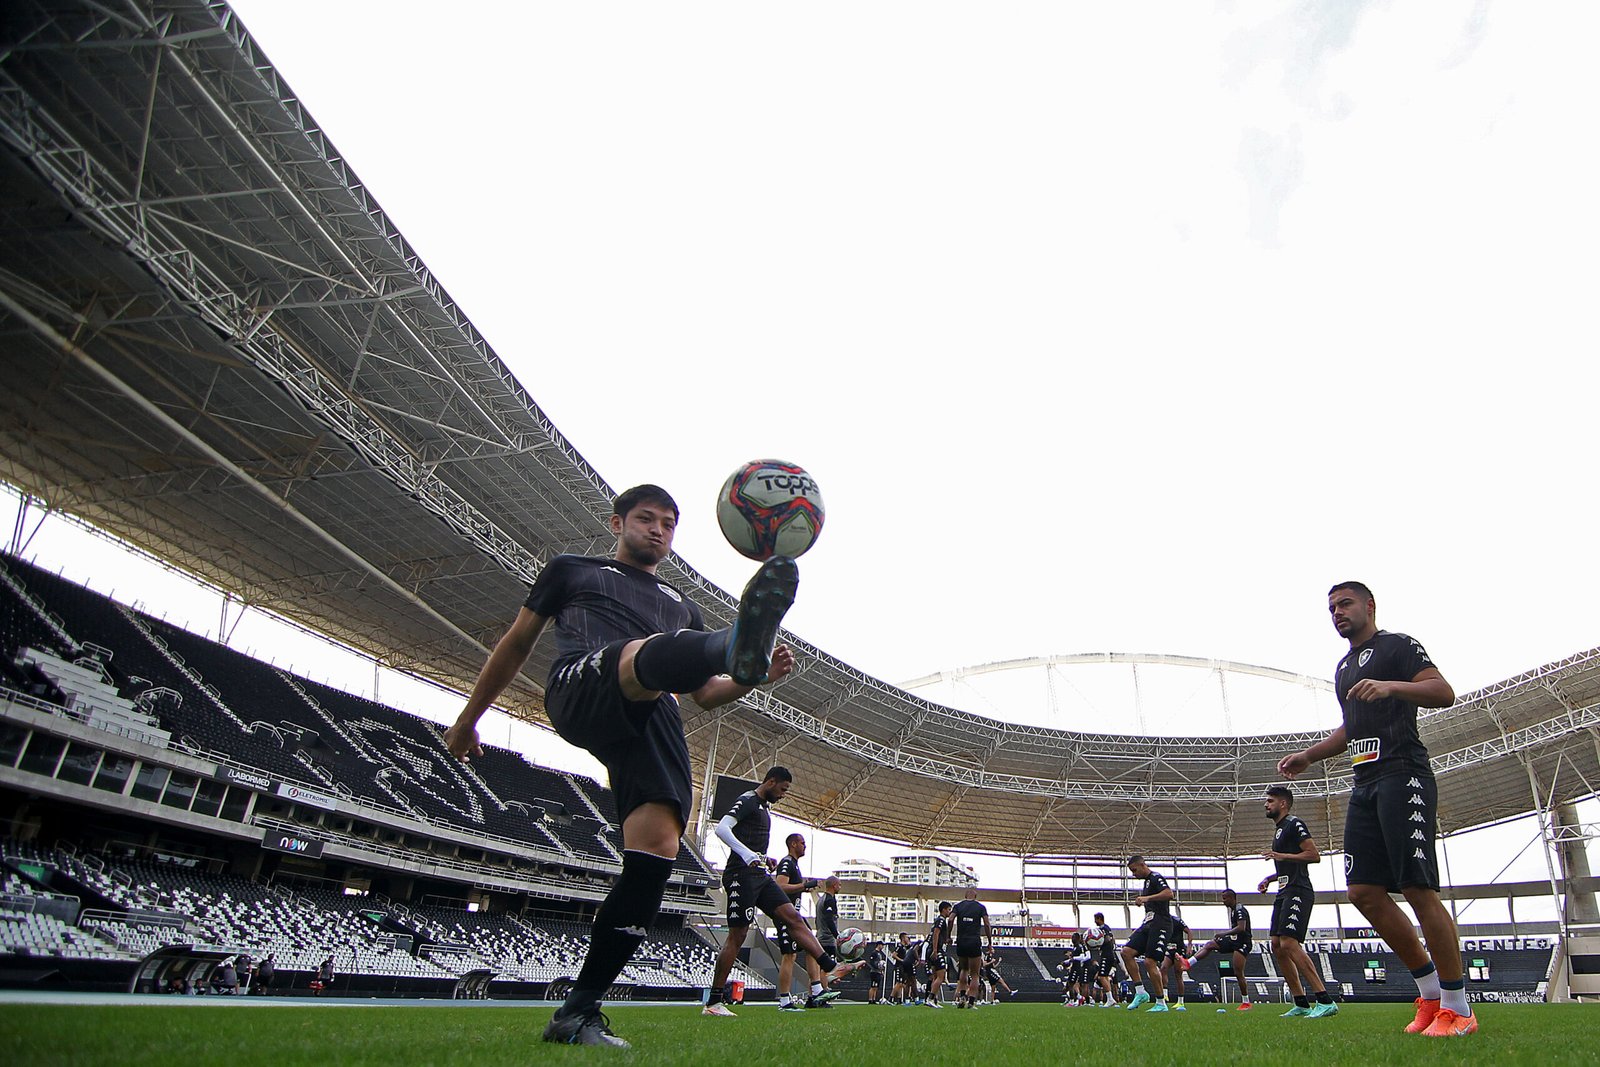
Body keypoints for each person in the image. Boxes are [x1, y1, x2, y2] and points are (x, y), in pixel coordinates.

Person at [444, 485, 802, 1048]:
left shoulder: (682, 605)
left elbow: (705, 696)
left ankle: (577, 1012)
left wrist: (750, 678)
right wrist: (469, 720)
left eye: (668, 524)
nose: (657, 530)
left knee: (656, 853)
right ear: (617, 523)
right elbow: (516, 643)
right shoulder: (572, 571)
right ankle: (733, 642)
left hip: (653, 711)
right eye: (646, 519)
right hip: (583, 682)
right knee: (642, 653)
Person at [1277, 582, 1473, 1038]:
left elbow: (1443, 692)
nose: (1337, 613)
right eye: (1330, 609)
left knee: (1417, 888)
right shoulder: (1343, 667)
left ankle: (1458, 1007)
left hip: (1402, 774)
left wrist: (1391, 687)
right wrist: (1311, 755)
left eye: (1344, 604)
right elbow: (1352, 726)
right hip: (1363, 783)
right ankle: (1428, 995)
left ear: (1369, 606)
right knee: (1363, 891)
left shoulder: (1398, 646)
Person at [705, 768, 843, 1016]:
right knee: (737, 935)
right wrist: (747, 856)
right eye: (782, 789)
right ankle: (713, 1003)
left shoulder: (763, 808)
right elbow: (722, 829)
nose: (783, 795)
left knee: (793, 918)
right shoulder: (748, 800)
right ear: (770, 782)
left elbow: (748, 839)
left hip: (760, 875)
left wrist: (762, 857)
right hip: (741, 875)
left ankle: (829, 966)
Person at [1255, 785, 1338, 1018]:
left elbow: (1314, 855)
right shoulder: (1279, 829)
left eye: (1270, 801)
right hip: (1283, 890)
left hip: (1298, 890)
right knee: (1276, 944)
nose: (1266, 804)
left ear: (1283, 804)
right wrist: (1270, 878)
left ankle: (1325, 1000)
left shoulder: (1294, 823)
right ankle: (1300, 1002)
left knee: (1289, 942)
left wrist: (1283, 856)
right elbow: (1288, 864)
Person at [772, 832, 825, 1010]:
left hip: (794, 916)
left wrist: (802, 888)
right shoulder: (787, 862)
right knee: (789, 956)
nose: (804, 846)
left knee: (812, 945)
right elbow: (779, 887)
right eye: (802, 843)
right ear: (793, 844)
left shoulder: (794, 865)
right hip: (785, 915)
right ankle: (785, 1000)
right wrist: (803, 885)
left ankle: (816, 989)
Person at [1182, 889, 1254, 1011]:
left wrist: (1224, 933)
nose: (1223, 901)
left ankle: (1246, 1002)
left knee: (1238, 972)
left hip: (1242, 943)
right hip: (1233, 940)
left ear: (1232, 898)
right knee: (1210, 944)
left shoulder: (1239, 910)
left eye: (1225, 898)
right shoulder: (1233, 910)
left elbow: (1241, 928)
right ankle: (1189, 963)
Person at [1121, 855, 1173, 1011]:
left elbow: (1169, 893)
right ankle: (1140, 992)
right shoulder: (1147, 882)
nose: (1133, 874)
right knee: (1126, 952)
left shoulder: (1156, 877)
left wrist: (1146, 898)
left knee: (1149, 962)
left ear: (1142, 865)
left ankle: (1160, 1003)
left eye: (1134, 870)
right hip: (1148, 923)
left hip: (1161, 923)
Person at [950, 886, 990, 1009]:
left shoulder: (958, 906)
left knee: (963, 970)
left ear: (965, 895)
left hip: (961, 941)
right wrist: (990, 941)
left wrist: (948, 935)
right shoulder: (980, 907)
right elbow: (987, 924)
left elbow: (950, 919)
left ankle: (962, 997)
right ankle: (971, 1002)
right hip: (974, 941)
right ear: (975, 896)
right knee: (975, 974)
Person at [921, 901, 953, 1006]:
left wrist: (946, 940)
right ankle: (930, 999)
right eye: (949, 909)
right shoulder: (941, 920)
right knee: (941, 976)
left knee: (935, 976)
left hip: (933, 949)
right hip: (936, 950)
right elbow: (936, 933)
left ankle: (934, 1000)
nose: (950, 912)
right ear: (943, 909)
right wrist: (935, 950)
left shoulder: (938, 920)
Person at [892, 932, 918, 1004]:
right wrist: (902, 960)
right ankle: (891, 998)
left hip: (904, 967)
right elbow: (893, 955)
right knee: (899, 983)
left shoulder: (906, 947)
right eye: (906, 937)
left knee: (903, 983)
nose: (908, 939)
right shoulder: (899, 946)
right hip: (899, 966)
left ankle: (900, 999)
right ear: (903, 938)